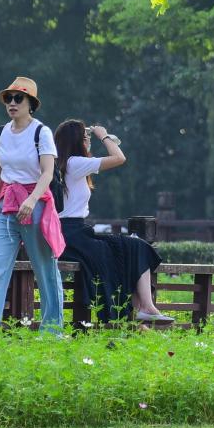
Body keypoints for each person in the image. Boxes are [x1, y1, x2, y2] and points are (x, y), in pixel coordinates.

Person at [0, 76, 65, 341]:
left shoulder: (40, 132)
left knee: (45, 269)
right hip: (6, 205)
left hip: (35, 204)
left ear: (30, 103)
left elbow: (47, 172)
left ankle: (52, 330)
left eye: (18, 98)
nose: (12, 103)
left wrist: (32, 200)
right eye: (8, 98)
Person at [51, 119, 173, 325]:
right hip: (70, 234)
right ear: (75, 141)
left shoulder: (68, 164)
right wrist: (103, 135)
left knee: (135, 245)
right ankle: (131, 313)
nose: (88, 141)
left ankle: (146, 307)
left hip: (76, 232)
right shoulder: (74, 164)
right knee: (111, 254)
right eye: (84, 137)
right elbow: (119, 158)